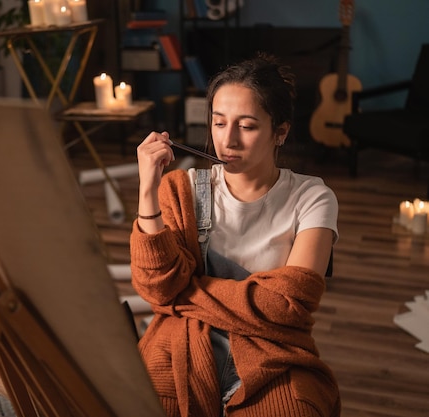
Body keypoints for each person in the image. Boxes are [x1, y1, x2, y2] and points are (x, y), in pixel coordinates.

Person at [130, 52, 341, 417]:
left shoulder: (313, 198)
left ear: (281, 131)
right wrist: (147, 190)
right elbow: (157, 288)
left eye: (246, 126)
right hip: (181, 341)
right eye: (218, 122)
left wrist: (185, 291)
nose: (228, 141)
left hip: (274, 350)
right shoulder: (180, 190)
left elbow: (288, 308)